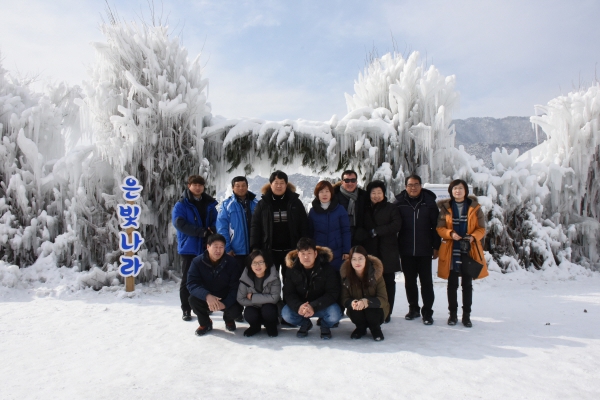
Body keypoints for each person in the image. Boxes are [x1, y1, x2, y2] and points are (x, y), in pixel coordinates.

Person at [436, 179, 489, 328]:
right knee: (452, 284)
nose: (457, 191)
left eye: (460, 188)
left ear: (465, 191)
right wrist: (450, 233)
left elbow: (481, 228)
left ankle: (466, 316)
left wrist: (473, 237)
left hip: (469, 249)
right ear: (451, 192)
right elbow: (439, 228)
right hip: (451, 250)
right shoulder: (445, 208)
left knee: (467, 284)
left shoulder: (475, 208)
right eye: (454, 189)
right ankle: (452, 315)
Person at [393, 174, 441, 325]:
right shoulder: (399, 203)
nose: (413, 188)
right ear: (405, 187)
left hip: (425, 249)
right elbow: (394, 225)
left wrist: (436, 246)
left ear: (421, 186)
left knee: (426, 282)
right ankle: (413, 308)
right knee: (410, 282)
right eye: (410, 185)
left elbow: (436, 227)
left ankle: (427, 311)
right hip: (406, 249)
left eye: (416, 184)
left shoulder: (429, 203)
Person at [172, 175, 218, 322]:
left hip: (206, 247)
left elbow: (215, 220)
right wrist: (201, 232)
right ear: (189, 186)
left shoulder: (209, 203)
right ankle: (186, 309)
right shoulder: (182, 204)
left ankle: (204, 306)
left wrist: (212, 230)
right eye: (194, 185)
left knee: (206, 279)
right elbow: (180, 224)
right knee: (187, 279)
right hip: (189, 247)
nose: (197, 187)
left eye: (200, 185)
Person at [250, 170, 309, 279]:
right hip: (270, 250)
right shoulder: (263, 204)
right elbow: (255, 226)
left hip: (292, 250)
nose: (279, 186)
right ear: (271, 184)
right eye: (276, 183)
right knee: (271, 280)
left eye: (282, 183)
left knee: (292, 280)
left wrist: (304, 244)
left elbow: (304, 224)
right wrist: (255, 247)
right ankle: (274, 297)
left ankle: (288, 297)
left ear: (286, 185)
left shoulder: (295, 202)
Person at [281, 238, 342, 339]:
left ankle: (325, 325)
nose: (306, 257)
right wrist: (299, 306)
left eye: (309, 253)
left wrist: (314, 306)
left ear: (315, 253)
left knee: (335, 314)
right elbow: (288, 293)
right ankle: (305, 324)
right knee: (286, 314)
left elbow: (332, 293)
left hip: (321, 306)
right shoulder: (292, 270)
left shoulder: (327, 269)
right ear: (298, 254)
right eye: (303, 253)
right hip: (302, 308)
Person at [187, 234, 243, 336]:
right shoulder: (197, 262)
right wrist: (207, 296)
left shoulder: (232, 263)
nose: (218, 250)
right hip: (207, 297)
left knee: (237, 309)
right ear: (208, 247)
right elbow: (192, 284)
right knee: (193, 299)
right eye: (215, 247)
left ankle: (228, 319)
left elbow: (236, 287)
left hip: (225, 295)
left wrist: (224, 303)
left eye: (221, 247)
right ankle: (205, 323)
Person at [363, 180, 402, 323]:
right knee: (370, 282)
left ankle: (387, 311)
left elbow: (396, 224)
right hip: (370, 251)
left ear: (384, 193)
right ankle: (372, 309)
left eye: (379, 192)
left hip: (388, 250)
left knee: (388, 282)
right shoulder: (365, 208)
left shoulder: (391, 208)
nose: (376, 196)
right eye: (373, 193)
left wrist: (378, 231)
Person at [340, 246, 388, 341]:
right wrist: (352, 302)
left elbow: (383, 299)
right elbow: (344, 299)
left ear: (366, 259)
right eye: (354, 259)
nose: (357, 262)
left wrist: (367, 302)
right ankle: (360, 328)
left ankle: (376, 329)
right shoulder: (346, 276)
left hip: (376, 311)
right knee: (355, 309)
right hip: (357, 310)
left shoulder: (376, 274)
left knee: (371, 310)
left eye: (360, 259)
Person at [216, 176, 259, 273]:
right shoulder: (227, 205)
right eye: (237, 186)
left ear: (247, 186)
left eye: (243, 185)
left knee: (254, 279)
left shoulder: (256, 203)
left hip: (254, 250)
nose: (241, 188)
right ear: (232, 188)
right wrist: (227, 248)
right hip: (236, 251)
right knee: (236, 279)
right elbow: (222, 228)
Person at [308, 180, 351, 271]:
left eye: (327, 191)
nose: (324, 194)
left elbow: (346, 231)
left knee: (337, 278)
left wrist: (346, 251)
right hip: (319, 251)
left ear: (331, 193)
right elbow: (310, 232)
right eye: (321, 192)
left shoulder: (340, 209)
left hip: (337, 252)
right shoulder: (313, 211)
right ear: (317, 194)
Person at [237, 250, 281, 337]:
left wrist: (253, 297)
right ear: (250, 265)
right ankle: (255, 327)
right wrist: (263, 300)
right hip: (254, 308)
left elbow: (275, 298)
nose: (257, 266)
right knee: (249, 313)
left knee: (268, 310)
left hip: (270, 308)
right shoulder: (246, 278)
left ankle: (271, 326)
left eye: (261, 262)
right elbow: (240, 299)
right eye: (254, 263)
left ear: (266, 264)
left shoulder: (273, 277)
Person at [333, 170, 369, 246]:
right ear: (342, 182)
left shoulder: (364, 196)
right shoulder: (333, 197)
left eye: (353, 180)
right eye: (347, 180)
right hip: (339, 236)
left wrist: (363, 231)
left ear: (356, 182)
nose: (350, 183)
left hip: (359, 237)